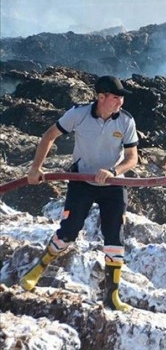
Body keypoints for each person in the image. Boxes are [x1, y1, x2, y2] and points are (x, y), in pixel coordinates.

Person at [19, 75, 139, 312]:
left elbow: (132, 158)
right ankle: (36, 271)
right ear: (101, 97)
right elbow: (48, 136)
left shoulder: (126, 121)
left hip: (113, 184)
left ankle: (112, 296)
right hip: (81, 180)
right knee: (69, 230)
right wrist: (35, 168)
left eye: (121, 98)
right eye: (116, 98)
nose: (120, 102)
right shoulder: (79, 114)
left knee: (114, 237)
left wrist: (114, 171)